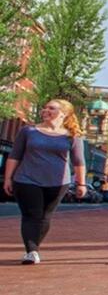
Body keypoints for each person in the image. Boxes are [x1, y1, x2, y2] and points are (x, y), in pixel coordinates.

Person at [3, 99, 88, 264]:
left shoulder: (72, 136)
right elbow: (14, 156)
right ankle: (31, 251)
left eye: (52, 108)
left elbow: (78, 162)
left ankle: (34, 247)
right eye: (45, 107)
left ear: (63, 113)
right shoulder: (28, 131)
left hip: (58, 182)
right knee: (32, 214)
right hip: (26, 179)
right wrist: (8, 178)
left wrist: (81, 183)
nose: (46, 110)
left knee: (45, 216)